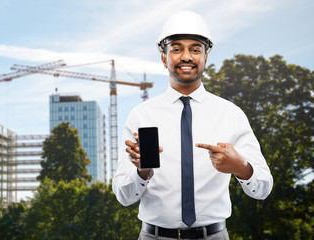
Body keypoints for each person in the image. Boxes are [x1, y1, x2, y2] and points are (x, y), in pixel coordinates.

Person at [112, 10, 273, 240]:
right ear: (163, 57)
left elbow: (263, 188)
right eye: (176, 49)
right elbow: (123, 196)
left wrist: (240, 167)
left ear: (206, 57)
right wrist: (142, 171)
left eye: (195, 49)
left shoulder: (231, 114)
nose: (186, 56)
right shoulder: (141, 115)